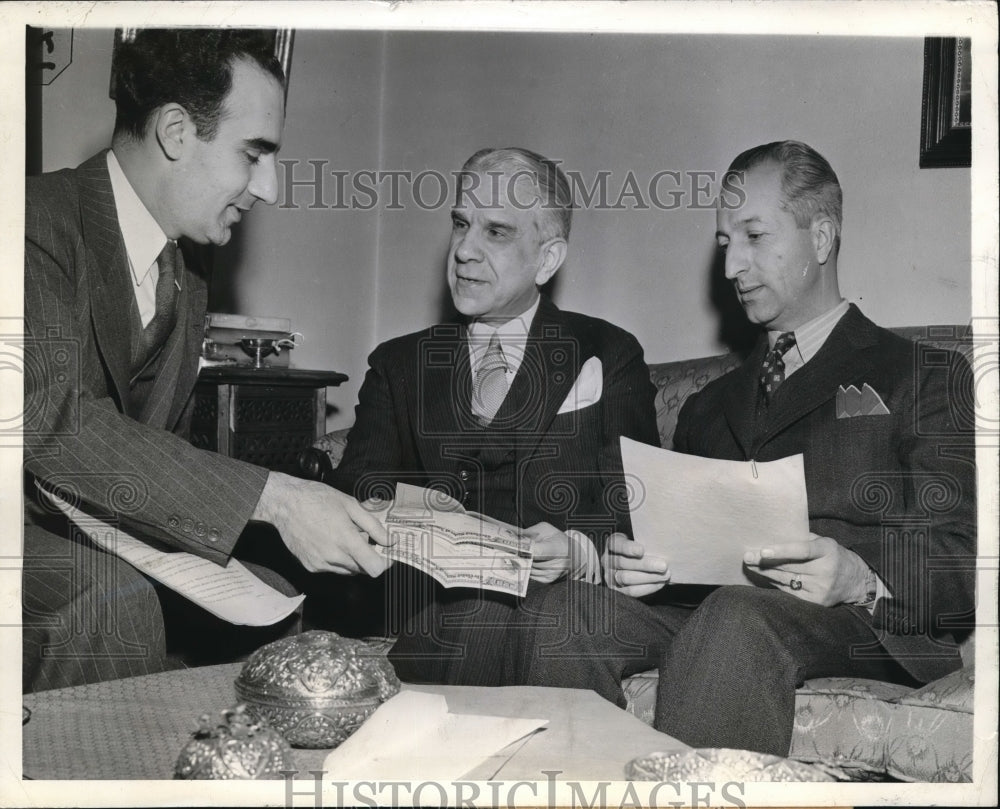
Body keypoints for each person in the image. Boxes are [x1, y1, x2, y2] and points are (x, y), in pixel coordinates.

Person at [504, 140, 976, 756]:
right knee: (562, 614)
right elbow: (683, 559)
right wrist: (638, 568)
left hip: (862, 622)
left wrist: (861, 577)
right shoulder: (708, 404)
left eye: (754, 236)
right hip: (717, 613)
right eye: (726, 243)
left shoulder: (927, 375)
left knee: (738, 614)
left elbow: (965, 558)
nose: (731, 267)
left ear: (823, 237)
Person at [23, 29, 389, 692]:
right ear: (174, 132)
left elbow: (160, 440)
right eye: (253, 154)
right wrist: (276, 499)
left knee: (276, 596)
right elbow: (56, 427)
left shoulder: (187, 263)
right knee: (109, 604)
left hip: (94, 525)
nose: (270, 187)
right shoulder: (28, 224)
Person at [323, 147, 659, 684]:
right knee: (474, 620)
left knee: (523, 625)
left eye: (496, 232)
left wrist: (575, 552)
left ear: (547, 259)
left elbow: (637, 510)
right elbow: (358, 493)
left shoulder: (607, 351)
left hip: (558, 608)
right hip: (433, 606)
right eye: (461, 224)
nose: (464, 251)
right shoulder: (399, 363)